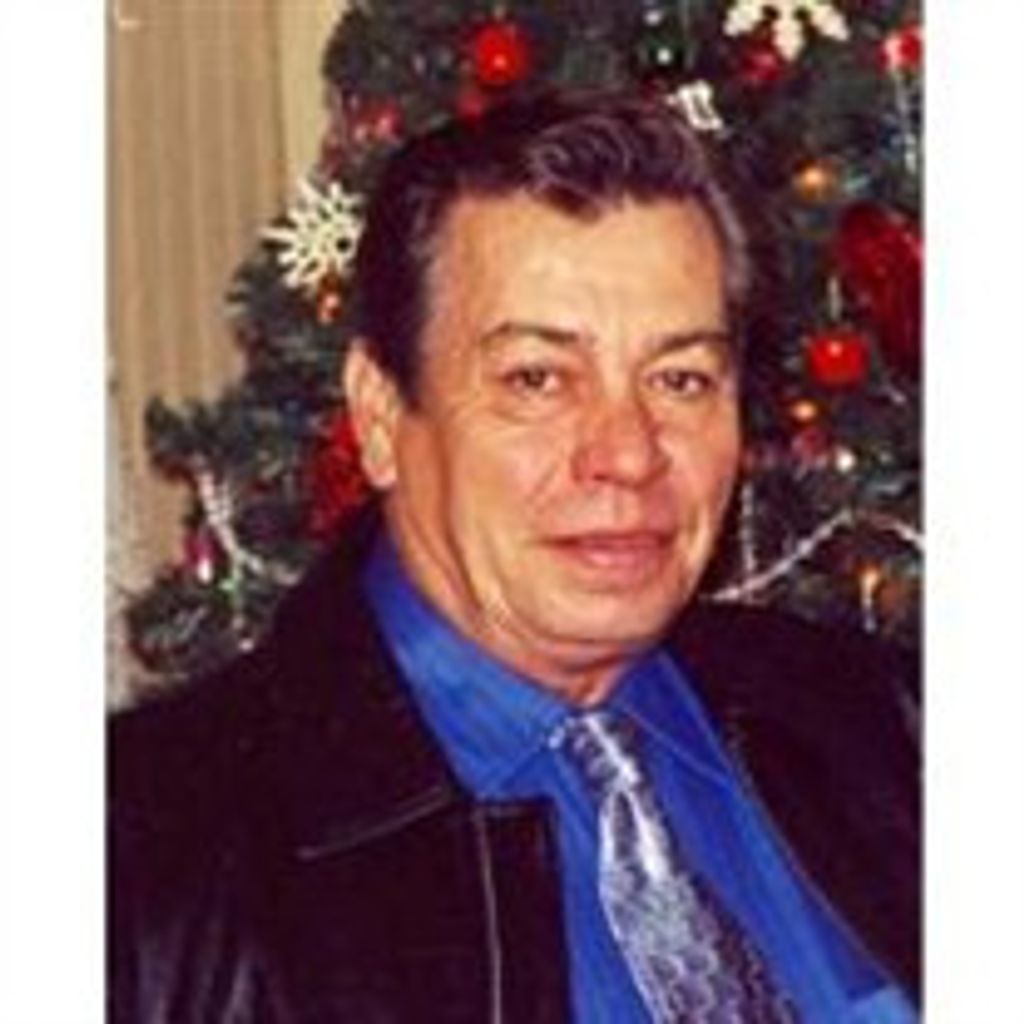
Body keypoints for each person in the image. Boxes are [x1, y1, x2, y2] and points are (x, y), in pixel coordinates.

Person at [110, 93, 919, 1023]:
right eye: (537, 379)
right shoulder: (139, 866)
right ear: (380, 417)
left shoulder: (886, 730)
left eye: (681, 379)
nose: (628, 454)